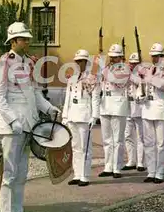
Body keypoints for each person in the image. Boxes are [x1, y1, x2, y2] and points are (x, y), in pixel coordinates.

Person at [0, 22, 61, 212]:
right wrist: (13, 120)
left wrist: (49, 109)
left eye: (28, 38)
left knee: (22, 173)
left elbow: (35, 93)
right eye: (24, 39)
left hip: (28, 125)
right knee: (9, 173)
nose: (28, 41)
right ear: (13, 41)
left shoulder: (29, 64)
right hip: (12, 127)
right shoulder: (2, 64)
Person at [62, 49, 101, 186]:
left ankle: (85, 175)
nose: (79, 63)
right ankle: (77, 174)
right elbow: (67, 97)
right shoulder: (72, 78)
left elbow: (95, 98)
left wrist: (94, 116)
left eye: (81, 61)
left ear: (86, 62)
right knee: (75, 147)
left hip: (85, 115)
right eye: (77, 61)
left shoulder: (92, 78)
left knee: (85, 147)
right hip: (73, 115)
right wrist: (65, 115)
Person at [141, 43, 164, 184]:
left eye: (157, 56)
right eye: (152, 56)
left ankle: (159, 172)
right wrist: (139, 96)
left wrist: (148, 76)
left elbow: (162, 85)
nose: (154, 59)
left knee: (160, 144)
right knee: (148, 143)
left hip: (159, 109)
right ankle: (151, 171)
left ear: (162, 57)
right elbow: (142, 86)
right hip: (147, 108)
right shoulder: (148, 70)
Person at [98, 43, 130, 179]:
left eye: (116, 57)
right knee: (107, 139)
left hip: (118, 106)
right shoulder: (107, 68)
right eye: (111, 57)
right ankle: (108, 166)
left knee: (118, 139)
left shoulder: (125, 69)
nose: (113, 59)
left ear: (121, 57)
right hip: (105, 105)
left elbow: (117, 81)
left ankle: (117, 167)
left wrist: (102, 69)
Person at [122, 52, 146, 172]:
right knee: (128, 136)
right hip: (128, 108)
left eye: (134, 64)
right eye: (130, 64)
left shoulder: (143, 75)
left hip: (139, 108)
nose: (131, 66)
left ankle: (141, 162)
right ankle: (131, 161)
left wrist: (130, 75)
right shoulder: (127, 74)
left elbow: (142, 83)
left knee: (141, 137)